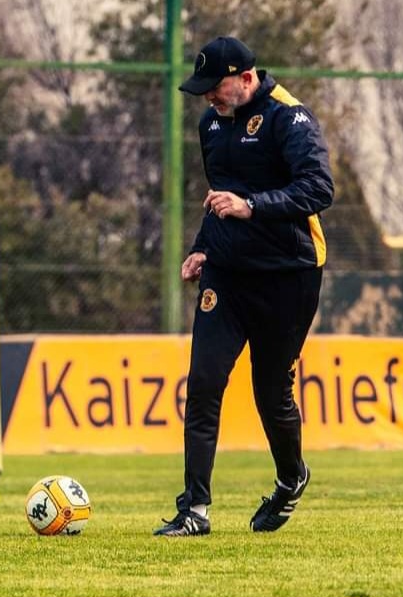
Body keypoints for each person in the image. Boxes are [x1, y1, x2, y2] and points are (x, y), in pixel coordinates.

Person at [154, 36, 335, 537]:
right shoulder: (211, 123)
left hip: (288, 274)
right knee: (204, 383)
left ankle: (291, 478)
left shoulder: (289, 117)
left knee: (271, 393)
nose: (209, 96)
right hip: (228, 275)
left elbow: (320, 188)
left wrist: (252, 205)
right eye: (203, 90)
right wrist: (201, 246)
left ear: (247, 77)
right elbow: (220, 198)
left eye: (216, 87)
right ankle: (195, 509)